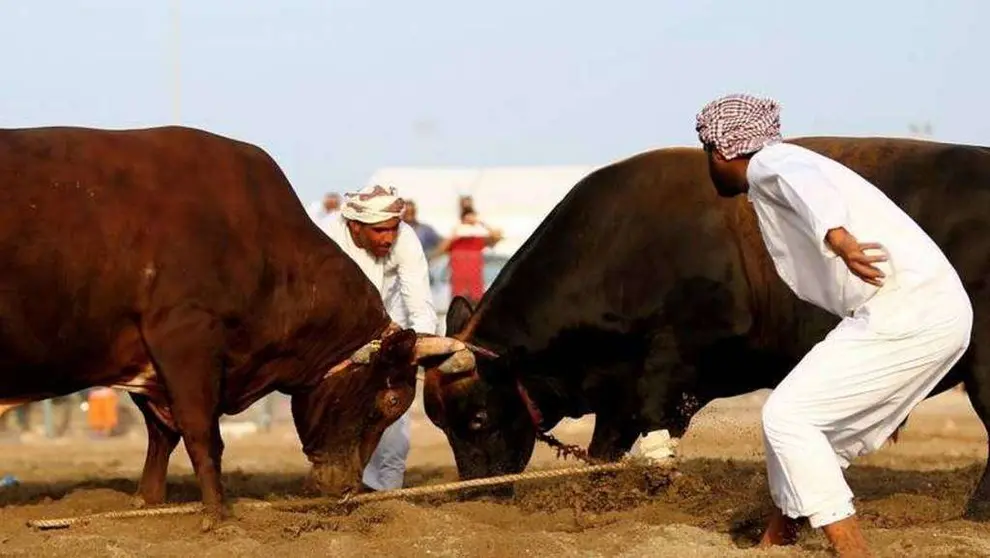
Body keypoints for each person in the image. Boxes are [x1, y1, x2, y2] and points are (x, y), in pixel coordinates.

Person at [694, 93, 972, 557]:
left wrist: (837, 237)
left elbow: (806, 187)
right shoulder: (787, 164)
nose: (708, 165)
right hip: (931, 312)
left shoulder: (772, 164)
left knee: (786, 417)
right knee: (815, 433)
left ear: (722, 151)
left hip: (910, 309)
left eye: (706, 152)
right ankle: (778, 538)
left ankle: (852, 551)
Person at [318, 184, 439, 491]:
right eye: (380, 230)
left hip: (392, 328)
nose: (389, 237)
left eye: (393, 229)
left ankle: (387, 495)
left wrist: (418, 348)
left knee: (393, 420)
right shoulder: (326, 239)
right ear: (355, 227)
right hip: (340, 337)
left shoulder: (405, 238)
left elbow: (420, 304)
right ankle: (345, 486)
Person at [430, 206, 502, 305]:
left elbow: (497, 237)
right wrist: (455, 233)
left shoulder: (478, 239)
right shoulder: (454, 240)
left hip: (475, 288)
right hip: (459, 289)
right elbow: (440, 250)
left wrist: (482, 223)